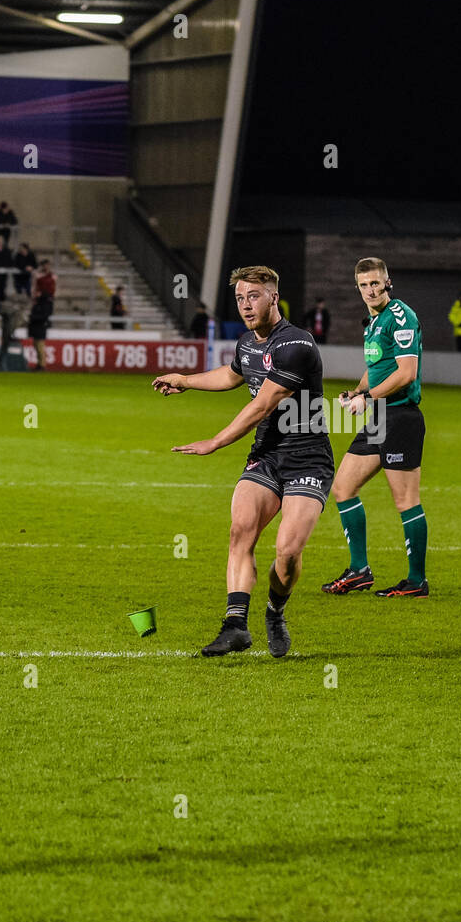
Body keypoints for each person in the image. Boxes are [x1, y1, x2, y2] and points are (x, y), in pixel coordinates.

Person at [151, 265, 334, 658]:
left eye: (253, 296)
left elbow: (262, 404)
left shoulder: (296, 345)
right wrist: (185, 379)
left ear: (273, 296)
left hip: (307, 459)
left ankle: (275, 610)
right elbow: (232, 375)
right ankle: (235, 625)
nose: (246, 305)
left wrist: (215, 442)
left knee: (286, 554)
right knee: (241, 530)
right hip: (266, 455)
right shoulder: (248, 344)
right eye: (239, 299)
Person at [322, 257, 429, 598]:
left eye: (375, 283)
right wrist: (356, 392)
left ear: (387, 283)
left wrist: (367, 399)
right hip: (380, 417)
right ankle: (359, 570)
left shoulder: (400, 316)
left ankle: (416, 581)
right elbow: (377, 368)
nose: (370, 289)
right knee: (343, 487)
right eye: (364, 285)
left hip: (400, 417)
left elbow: (406, 372)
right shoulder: (372, 321)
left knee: (406, 500)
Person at [27, 259, 56, 369]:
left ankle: (42, 365)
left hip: (40, 324)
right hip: (38, 324)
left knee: (39, 344)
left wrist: (34, 318)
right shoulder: (40, 302)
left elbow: (45, 314)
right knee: (36, 344)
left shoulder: (45, 302)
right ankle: (40, 364)